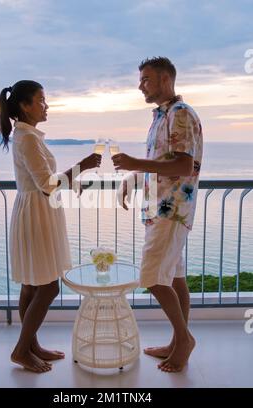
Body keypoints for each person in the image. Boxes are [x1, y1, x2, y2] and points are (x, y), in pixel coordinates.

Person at [0, 80, 101, 373]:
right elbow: (46, 185)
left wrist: (72, 180)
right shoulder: (27, 138)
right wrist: (82, 165)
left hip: (35, 211)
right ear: (24, 105)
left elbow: (41, 180)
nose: (46, 105)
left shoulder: (26, 135)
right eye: (41, 100)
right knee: (47, 288)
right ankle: (21, 349)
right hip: (37, 214)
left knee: (31, 285)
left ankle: (31, 346)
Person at [112, 57, 203, 373]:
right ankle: (176, 342)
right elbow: (161, 162)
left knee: (151, 277)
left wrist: (135, 164)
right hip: (161, 209)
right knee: (175, 279)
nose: (140, 85)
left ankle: (184, 339)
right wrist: (133, 178)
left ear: (165, 80)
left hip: (171, 211)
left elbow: (183, 166)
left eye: (146, 79)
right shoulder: (162, 116)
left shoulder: (180, 115)